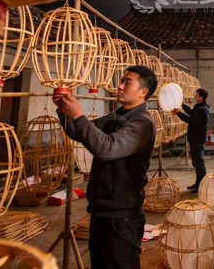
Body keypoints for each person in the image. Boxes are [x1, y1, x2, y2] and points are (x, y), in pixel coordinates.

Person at [54, 65, 158, 269]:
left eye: (127, 82)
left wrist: (79, 115)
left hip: (122, 216)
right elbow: (80, 133)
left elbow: (106, 149)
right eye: (121, 81)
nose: (120, 86)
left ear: (143, 92)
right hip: (101, 210)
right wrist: (64, 111)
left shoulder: (142, 123)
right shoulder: (116, 117)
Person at [173, 87, 210, 192]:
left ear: (201, 97)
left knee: (199, 163)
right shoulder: (200, 106)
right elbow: (191, 112)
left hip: (197, 139)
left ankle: (201, 186)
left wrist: (179, 113)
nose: (194, 96)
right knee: (196, 163)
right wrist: (182, 105)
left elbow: (192, 120)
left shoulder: (202, 109)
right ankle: (198, 183)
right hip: (195, 138)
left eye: (196, 95)